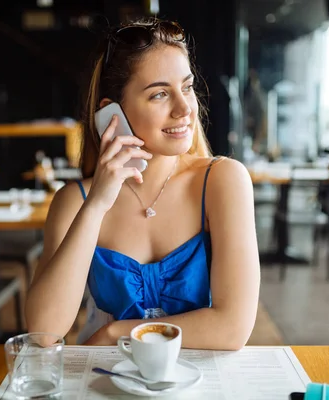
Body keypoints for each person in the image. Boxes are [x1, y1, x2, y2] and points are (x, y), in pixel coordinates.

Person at [25, 18, 260, 350]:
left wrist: (115, 332)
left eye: (188, 87)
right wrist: (96, 205)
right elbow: (44, 332)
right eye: (160, 94)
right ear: (113, 114)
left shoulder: (223, 181)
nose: (185, 109)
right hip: (104, 382)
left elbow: (232, 329)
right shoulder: (75, 200)